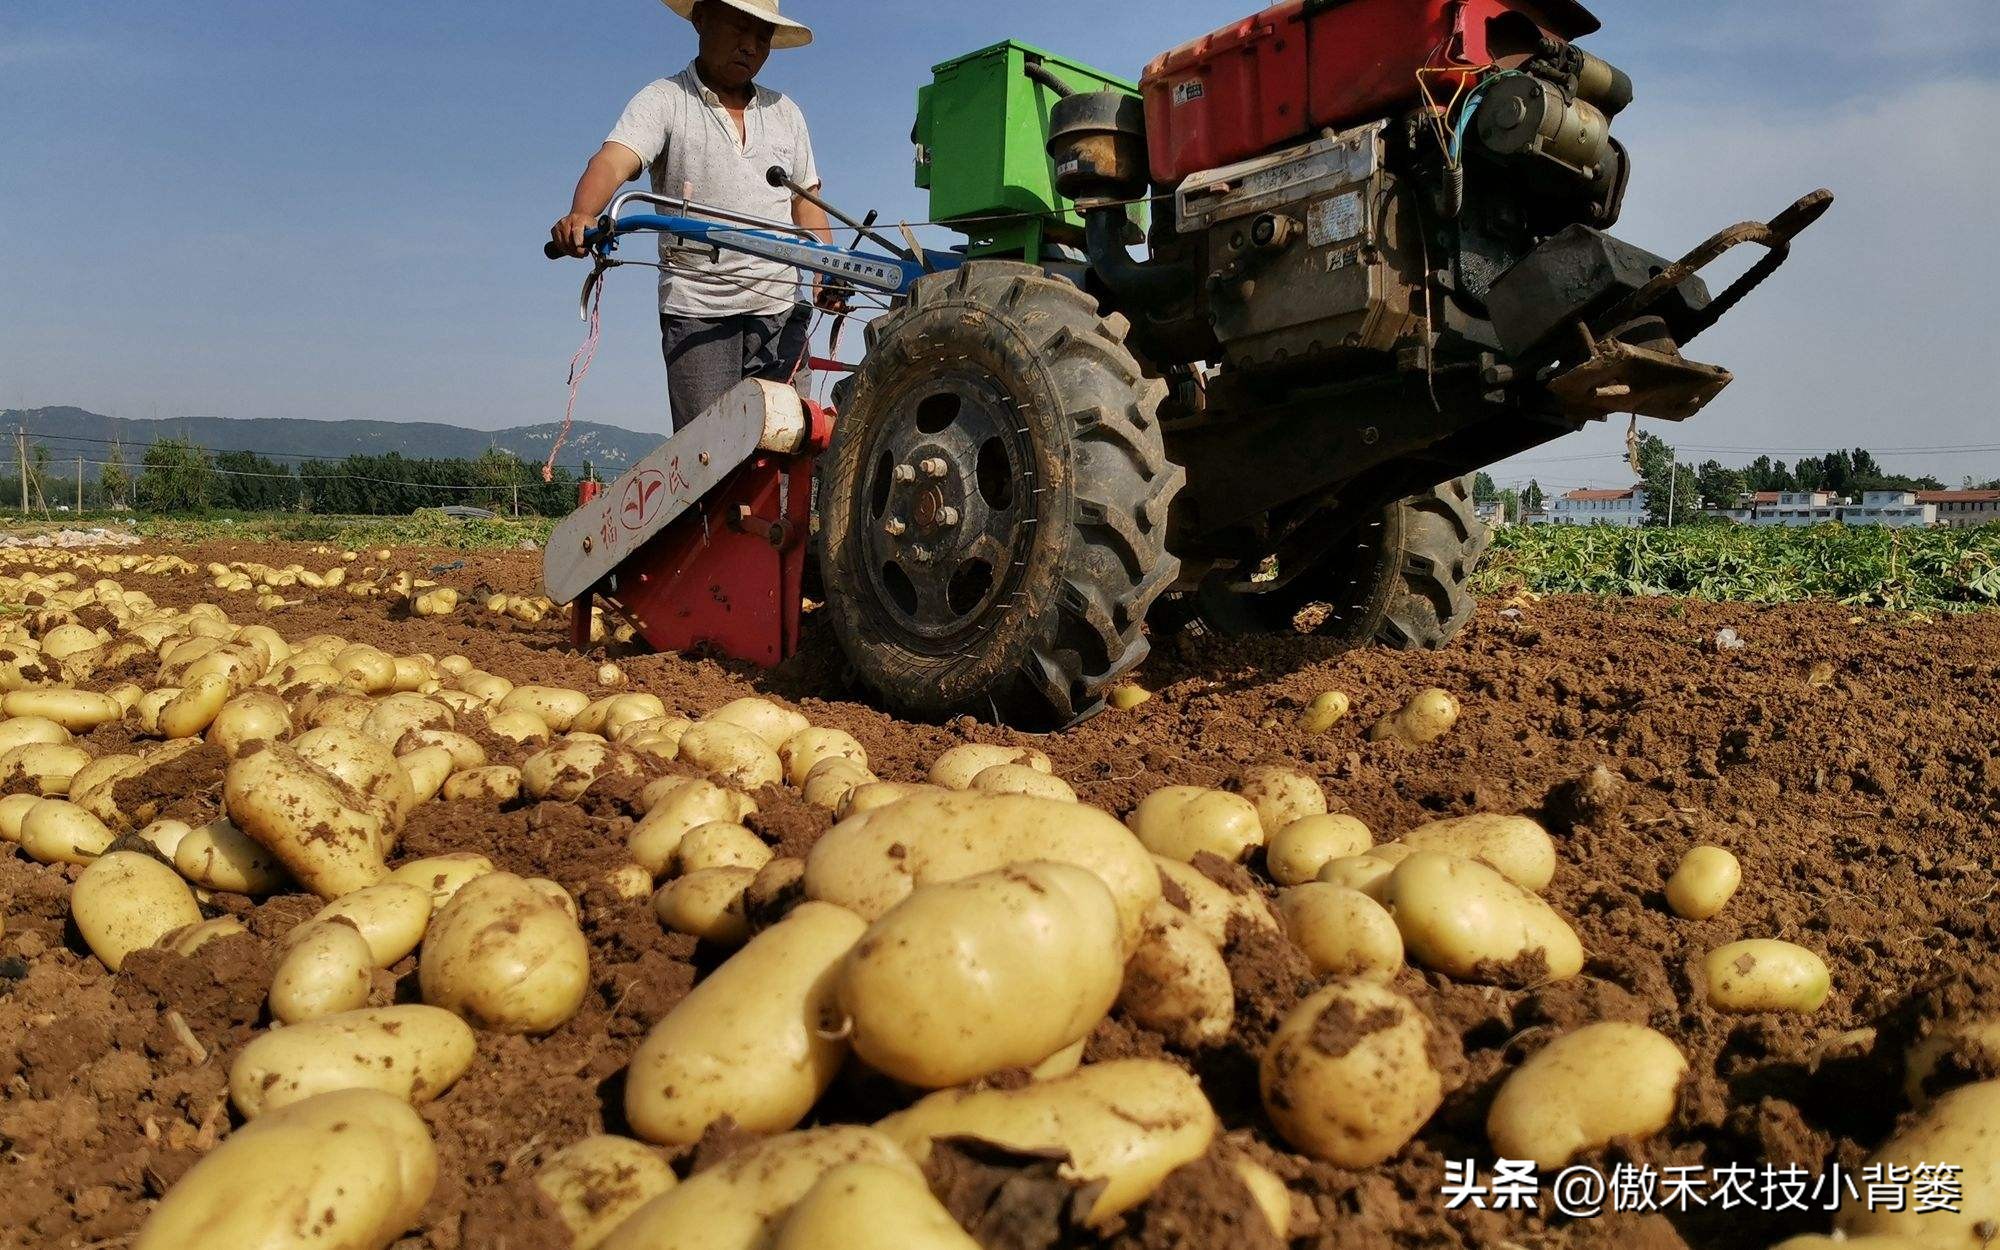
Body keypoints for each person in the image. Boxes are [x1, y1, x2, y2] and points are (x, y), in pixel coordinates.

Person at [551, 0, 836, 431]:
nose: (750, 46)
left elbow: (805, 201)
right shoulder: (666, 101)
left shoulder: (785, 113)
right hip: (697, 312)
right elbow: (613, 161)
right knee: (710, 458)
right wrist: (583, 213)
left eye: (763, 37)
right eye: (740, 28)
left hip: (780, 310)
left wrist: (827, 266)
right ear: (701, 18)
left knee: (784, 451)